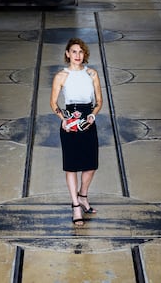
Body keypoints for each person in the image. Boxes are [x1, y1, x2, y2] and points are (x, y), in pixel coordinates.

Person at [50, 37, 103, 226]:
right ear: (67, 54)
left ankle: (83, 195)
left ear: (84, 54)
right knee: (71, 166)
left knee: (90, 165)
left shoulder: (92, 74)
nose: (77, 55)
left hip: (87, 120)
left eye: (80, 52)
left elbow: (99, 101)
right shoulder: (61, 76)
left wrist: (93, 115)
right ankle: (75, 206)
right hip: (70, 121)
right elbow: (53, 102)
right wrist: (64, 120)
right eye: (74, 51)